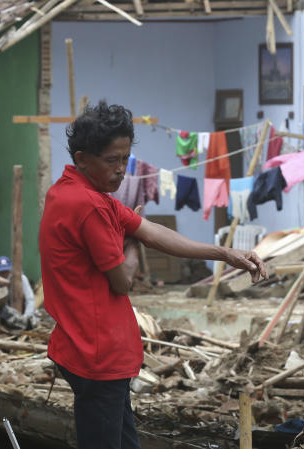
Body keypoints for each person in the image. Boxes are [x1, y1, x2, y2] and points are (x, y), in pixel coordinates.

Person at [39, 100, 267, 449]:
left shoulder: (73, 191)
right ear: (83, 159)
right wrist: (129, 243)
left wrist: (225, 254)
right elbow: (123, 280)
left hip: (89, 349)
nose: (121, 171)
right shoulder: (88, 205)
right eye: (111, 161)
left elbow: (153, 230)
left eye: (124, 160)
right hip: (97, 354)